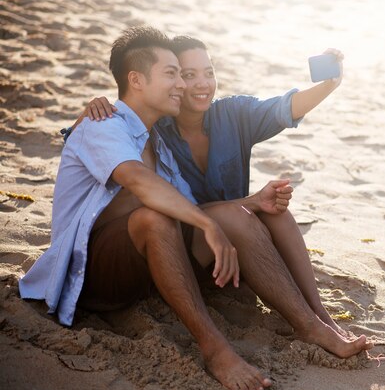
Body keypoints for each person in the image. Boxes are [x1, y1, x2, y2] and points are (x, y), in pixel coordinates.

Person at [20, 26, 371, 390]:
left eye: (194, 73)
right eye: (175, 74)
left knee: (226, 216)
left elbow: (194, 206)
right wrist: (208, 224)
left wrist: (248, 206)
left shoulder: (161, 143)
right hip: (89, 275)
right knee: (155, 218)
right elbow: (137, 181)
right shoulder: (104, 124)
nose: (184, 86)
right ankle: (216, 351)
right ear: (136, 80)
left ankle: (311, 324)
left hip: (146, 275)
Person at [73, 35, 348, 335]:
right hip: (188, 249)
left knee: (276, 211)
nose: (202, 83)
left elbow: (284, 108)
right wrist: (90, 111)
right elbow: (105, 134)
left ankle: (319, 314)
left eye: (209, 72)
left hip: (233, 243)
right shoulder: (158, 131)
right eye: (188, 75)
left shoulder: (233, 114)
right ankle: (308, 324)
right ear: (175, 80)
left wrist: (328, 84)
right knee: (240, 214)